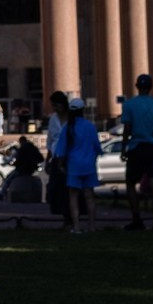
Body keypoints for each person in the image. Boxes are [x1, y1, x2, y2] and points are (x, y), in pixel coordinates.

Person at [119, 73, 153, 231]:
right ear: (151, 88)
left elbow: (127, 128)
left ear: (137, 87)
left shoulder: (129, 105)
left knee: (130, 183)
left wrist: (124, 148)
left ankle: (137, 219)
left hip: (136, 147)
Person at [54, 97, 101, 233]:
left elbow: (61, 150)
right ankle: (92, 227)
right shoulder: (90, 126)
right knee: (89, 196)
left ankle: (76, 227)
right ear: (83, 111)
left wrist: (61, 164)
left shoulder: (67, 127)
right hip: (89, 165)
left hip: (73, 165)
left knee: (73, 196)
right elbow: (97, 147)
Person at [44, 90, 70, 226]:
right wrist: (47, 159)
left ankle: (71, 217)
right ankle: (64, 216)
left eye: (57, 105)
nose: (55, 108)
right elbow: (50, 140)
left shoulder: (72, 118)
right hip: (56, 156)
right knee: (57, 188)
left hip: (69, 157)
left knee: (70, 189)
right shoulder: (53, 119)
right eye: (53, 106)